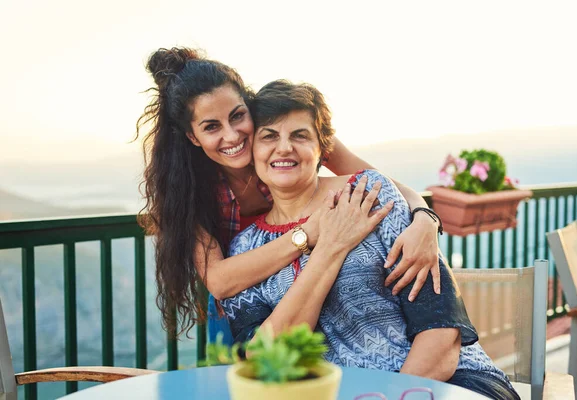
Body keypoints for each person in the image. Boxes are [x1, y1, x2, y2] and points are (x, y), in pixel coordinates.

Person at [221, 80, 520, 400]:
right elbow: (262, 358)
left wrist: (393, 396)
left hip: (447, 382)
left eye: (300, 135)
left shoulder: (370, 194)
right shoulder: (246, 250)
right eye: (269, 136)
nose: (284, 148)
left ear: (322, 149)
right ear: (252, 151)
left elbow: (442, 333)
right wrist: (330, 247)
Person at [136, 47, 443, 338]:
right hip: (250, 306)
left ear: (250, 107)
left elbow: (382, 184)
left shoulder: (287, 138)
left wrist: (425, 219)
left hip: (321, 291)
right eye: (211, 127)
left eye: (237, 116)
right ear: (192, 136)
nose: (231, 135)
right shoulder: (185, 189)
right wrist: (309, 232)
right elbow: (219, 281)